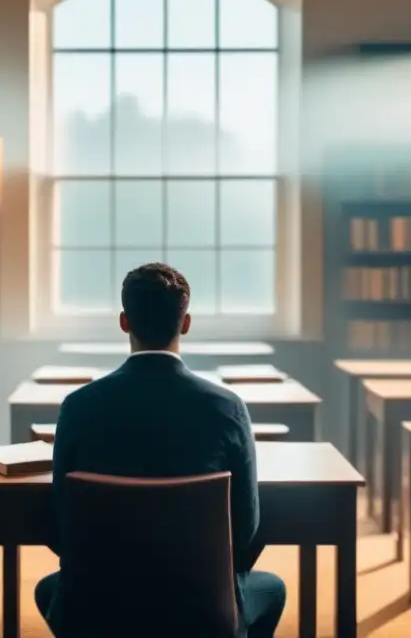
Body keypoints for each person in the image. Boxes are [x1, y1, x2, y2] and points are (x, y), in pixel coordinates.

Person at [35, 263, 286, 637]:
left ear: (124, 321)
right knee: (273, 589)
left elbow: (61, 527)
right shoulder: (227, 408)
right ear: (185, 323)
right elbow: (245, 530)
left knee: (49, 590)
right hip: (200, 607)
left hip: (100, 606)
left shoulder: (78, 406)